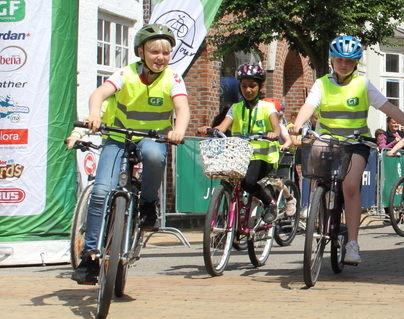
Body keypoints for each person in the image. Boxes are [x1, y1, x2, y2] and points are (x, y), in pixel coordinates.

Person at [290, 35, 404, 264]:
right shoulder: (322, 83)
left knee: (349, 186)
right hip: (327, 139)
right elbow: (310, 105)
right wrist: (299, 124)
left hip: (357, 142)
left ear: (356, 63)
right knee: (314, 157)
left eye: (348, 61)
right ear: (332, 60)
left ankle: (353, 244)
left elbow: (389, 108)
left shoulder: (362, 85)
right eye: (339, 60)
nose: (343, 64)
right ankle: (314, 205)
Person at [67, 24, 191, 284]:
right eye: (154, 51)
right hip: (118, 137)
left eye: (166, 53)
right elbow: (100, 93)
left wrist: (178, 130)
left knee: (155, 157)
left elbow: (182, 107)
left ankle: (147, 203)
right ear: (141, 52)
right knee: (100, 192)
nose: (160, 57)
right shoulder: (125, 73)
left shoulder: (173, 78)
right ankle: (90, 256)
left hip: (152, 137)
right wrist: (92, 115)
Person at [198, 62, 286, 223]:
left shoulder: (268, 108)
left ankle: (269, 203)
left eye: (252, 86)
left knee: (248, 182)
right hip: (240, 158)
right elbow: (222, 127)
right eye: (244, 86)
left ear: (260, 86)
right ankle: (230, 225)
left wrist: (274, 134)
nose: (248, 90)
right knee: (230, 182)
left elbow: (277, 128)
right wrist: (210, 130)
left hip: (263, 158)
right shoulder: (235, 108)